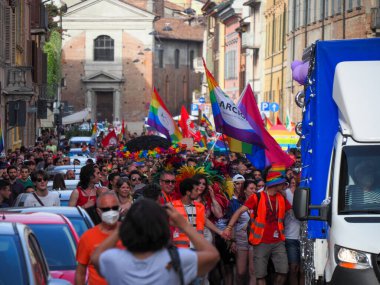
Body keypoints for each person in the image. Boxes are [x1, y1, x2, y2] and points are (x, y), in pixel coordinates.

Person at [90, 199, 220, 285]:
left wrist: (125, 225)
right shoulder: (178, 259)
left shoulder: (114, 260)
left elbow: (96, 256)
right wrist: (184, 225)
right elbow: (212, 255)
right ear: (163, 228)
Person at [223, 171, 292, 285]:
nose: (284, 185)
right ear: (275, 184)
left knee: (283, 271)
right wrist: (229, 228)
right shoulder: (258, 197)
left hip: (278, 241)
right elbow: (239, 211)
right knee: (260, 275)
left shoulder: (281, 198)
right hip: (260, 241)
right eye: (282, 183)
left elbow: (292, 211)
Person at [75, 192, 123, 285]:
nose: (111, 212)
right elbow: (80, 272)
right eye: (106, 209)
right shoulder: (88, 237)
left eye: (114, 208)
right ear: (98, 212)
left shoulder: (131, 233)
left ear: (119, 209)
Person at [228, 179, 257, 285]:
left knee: (253, 271)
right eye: (251, 188)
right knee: (241, 272)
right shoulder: (238, 204)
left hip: (255, 238)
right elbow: (234, 224)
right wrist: (233, 241)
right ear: (244, 190)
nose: (254, 191)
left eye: (255, 189)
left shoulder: (259, 202)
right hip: (241, 238)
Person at [172, 178, 205, 249]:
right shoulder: (172, 206)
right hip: (180, 250)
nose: (198, 192)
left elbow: (203, 224)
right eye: (196, 190)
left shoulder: (200, 207)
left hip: (198, 248)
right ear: (188, 192)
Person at [284, 177, 304, 285]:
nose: (293, 186)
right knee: (293, 268)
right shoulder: (285, 194)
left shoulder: (304, 194)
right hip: (290, 236)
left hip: (304, 237)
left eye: (296, 184)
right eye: (291, 183)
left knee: (303, 270)